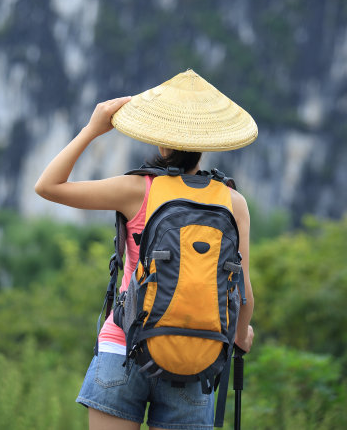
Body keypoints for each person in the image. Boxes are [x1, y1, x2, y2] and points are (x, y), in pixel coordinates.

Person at [35, 70, 256, 430]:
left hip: (124, 348)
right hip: (195, 356)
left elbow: (48, 186)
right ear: (205, 141)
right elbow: (243, 294)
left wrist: (92, 129)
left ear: (160, 142)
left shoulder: (137, 189)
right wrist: (241, 335)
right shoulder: (232, 202)